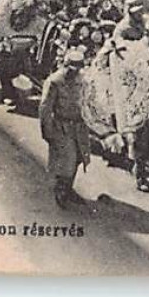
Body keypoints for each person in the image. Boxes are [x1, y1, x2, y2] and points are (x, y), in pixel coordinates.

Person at [38, 49, 91, 209]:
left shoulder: (84, 80)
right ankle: (61, 190)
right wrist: (47, 131)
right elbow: (45, 108)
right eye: (71, 69)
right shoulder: (54, 81)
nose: (75, 73)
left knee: (78, 158)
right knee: (67, 159)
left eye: (78, 69)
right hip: (62, 126)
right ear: (65, 65)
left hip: (79, 126)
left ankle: (68, 188)